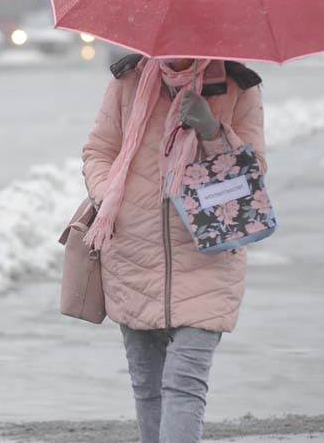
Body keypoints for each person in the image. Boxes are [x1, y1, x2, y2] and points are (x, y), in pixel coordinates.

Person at [80, 52, 267, 443]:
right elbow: (99, 151)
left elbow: (253, 173)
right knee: (148, 387)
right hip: (133, 256)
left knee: (184, 383)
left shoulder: (238, 85)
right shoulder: (128, 80)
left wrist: (211, 130)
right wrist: (110, 196)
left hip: (208, 258)